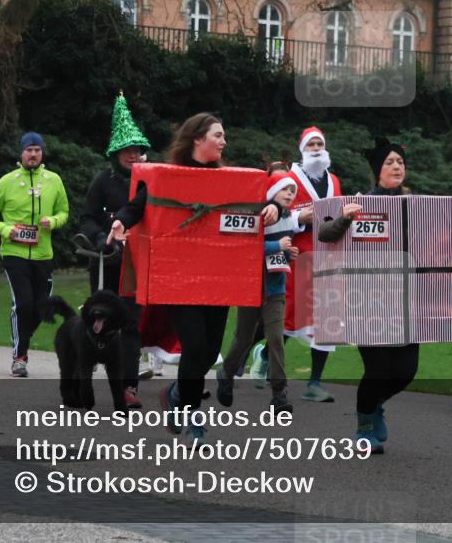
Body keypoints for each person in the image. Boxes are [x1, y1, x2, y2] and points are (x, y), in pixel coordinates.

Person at [107, 113, 278, 445]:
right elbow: (141, 204)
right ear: (197, 138)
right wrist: (120, 222)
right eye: (218, 134)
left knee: (209, 349)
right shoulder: (170, 177)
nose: (224, 141)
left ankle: (175, 393)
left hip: (217, 280)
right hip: (176, 279)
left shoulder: (230, 180)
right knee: (195, 344)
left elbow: (257, 205)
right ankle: (192, 415)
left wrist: (274, 210)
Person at [317, 137, 452, 454]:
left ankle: (376, 406)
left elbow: (441, 230)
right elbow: (324, 233)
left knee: (405, 371)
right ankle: (362, 429)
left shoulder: (419, 205)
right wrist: (345, 219)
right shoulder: (359, 205)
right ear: (377, 171)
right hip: (366, 299)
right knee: (378, 370)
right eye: (389, 162)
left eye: (400, 162)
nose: (397, 166)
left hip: (409, 300)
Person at [252, 127, 341, 403]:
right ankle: (265, 354)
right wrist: (300, 217)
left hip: (328, 257)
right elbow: (270, 213)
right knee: (290, 316)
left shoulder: (334, 181)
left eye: (320, 144)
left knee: (327, 322)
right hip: (294, 254)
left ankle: (315, 382)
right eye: (311, 144)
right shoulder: (289, 179)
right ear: (302, 149)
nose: (316, 148)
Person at [80, 93, 153, 407]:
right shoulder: (102, 181)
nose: (133, 155)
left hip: (138, 265)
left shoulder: (150, 182)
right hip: (107, 264)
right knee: (99, 322)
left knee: (131, 323)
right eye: (127, 150)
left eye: (137, 150)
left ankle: (128, 387)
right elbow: (86, 218)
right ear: (116, 152)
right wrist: (99, 239)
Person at [0, 132, 69, 377]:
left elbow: (64, 212)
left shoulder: (54, 180)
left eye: (37, 150)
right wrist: (7, 230)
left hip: (43, 254)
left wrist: (53, 221)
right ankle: (19, 357)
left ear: (42, 153)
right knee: (23, 304)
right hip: (14, 253)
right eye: (29, 150)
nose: (33, 154)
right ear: (21, 153)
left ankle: (22, 338)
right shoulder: (7, 181)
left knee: (42, 307)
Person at [217, 172, 303, 414]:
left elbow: (279, 253)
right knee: (242, 339)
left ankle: (280, 394)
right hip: (250, 287)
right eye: (285, 189)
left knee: (276, 339)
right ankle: (226, 373)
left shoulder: (288, 218)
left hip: (275, 289)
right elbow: (245, 245)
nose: (290, 194)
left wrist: (289, 253)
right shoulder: (257, 214)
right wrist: (277, 246)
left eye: (293, 191)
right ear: (271, 191)